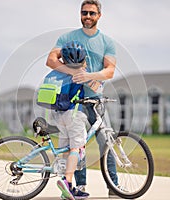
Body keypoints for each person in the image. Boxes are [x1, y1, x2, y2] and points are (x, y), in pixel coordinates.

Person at [46, 0, 119, 197]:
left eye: (92, 13)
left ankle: (114, 187)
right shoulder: (67, 37)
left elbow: (110, 71)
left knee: (107, 142)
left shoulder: (107, 42)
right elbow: (51, 60)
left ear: (99, 16)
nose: (87, 16)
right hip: (72, 100)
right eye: (84, 12)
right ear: (80, 14)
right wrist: (73, 70)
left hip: (95, 100)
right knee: (76, 145)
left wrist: (89, 76)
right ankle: (79, 187)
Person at [50, 41, 90, 200]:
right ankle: (67, 181)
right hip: (74, 114)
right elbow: (95, 87)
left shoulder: (60, 71)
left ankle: (68, 189)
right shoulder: (80, 74)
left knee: (66, 150)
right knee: (77, 148)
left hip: (59, 115)